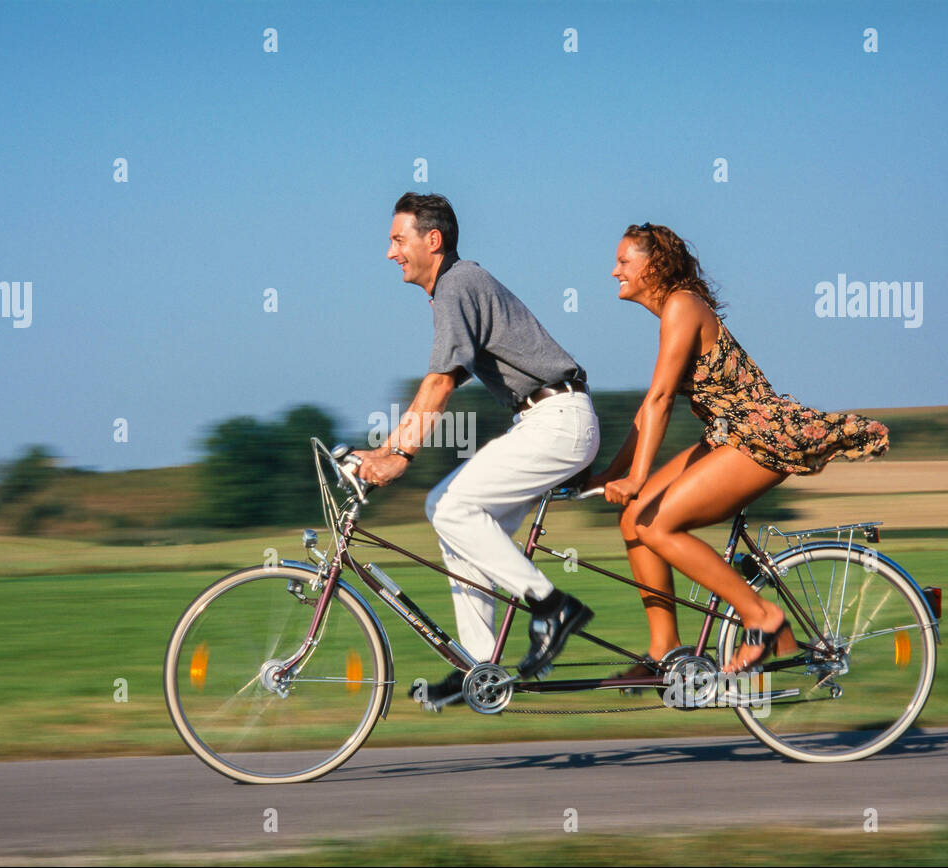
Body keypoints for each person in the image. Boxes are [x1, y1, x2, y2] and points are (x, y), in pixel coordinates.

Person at [588, 223, 889, 677]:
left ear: (653, 265)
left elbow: (662, 400)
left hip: (758, 436)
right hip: (728, 435)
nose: (614, 271)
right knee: (634, 517)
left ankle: (762, 616)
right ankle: (664, 650)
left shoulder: (682, 307)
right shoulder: (676, 309)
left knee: (659, 526)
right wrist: (610, 474)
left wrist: (635, 477)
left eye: (624, 262)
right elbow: (649, 406)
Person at [355, 193, 601, 700]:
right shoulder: (459, 288)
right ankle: (478, 669)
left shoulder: (456, 284)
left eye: (398, 240)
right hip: (547, 419)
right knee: (460, 528)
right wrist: (383, 451)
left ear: (433, 240)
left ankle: (552, 605)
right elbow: (439, 382)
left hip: (557, 420)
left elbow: (440, 383)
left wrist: (397, 456)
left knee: (448, 506)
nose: (390, 252)